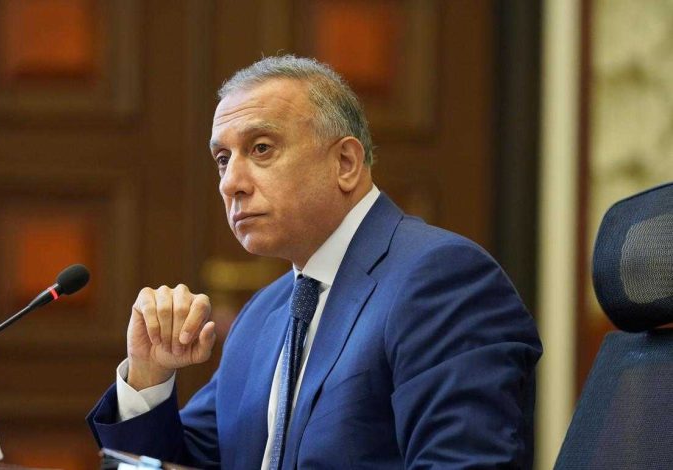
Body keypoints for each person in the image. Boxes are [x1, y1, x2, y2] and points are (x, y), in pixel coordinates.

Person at [88, 55, 542, 469]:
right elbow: (189, 460)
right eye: (223, 159)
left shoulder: (441, 280)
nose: (231, 183)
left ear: (345, 162)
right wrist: (148, 375)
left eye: (261, 148)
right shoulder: (263, 315)